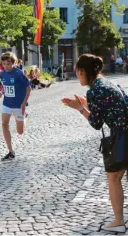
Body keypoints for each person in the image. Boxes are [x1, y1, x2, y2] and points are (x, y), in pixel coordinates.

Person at [62, 54, 128, 234]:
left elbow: (96, 123)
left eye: (77, 72)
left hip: (122, 135)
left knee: (113, 178)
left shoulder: (95, 90)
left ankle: (119, 221)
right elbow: (114, 106)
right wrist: (87, 104)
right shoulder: (108, 83)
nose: (77, 76)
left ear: (82, 71)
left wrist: (81, 108)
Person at [0, 52, 31, 161]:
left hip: (18, 105)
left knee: (20, 132)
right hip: (7, 104)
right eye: (4, 64)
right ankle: (11, 151)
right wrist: (0, 93)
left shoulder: (19, 73)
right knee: (4, 123)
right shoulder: (2, 74)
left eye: (9, 64)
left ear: (14, 63)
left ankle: (24, 118)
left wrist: (24, 103)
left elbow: (28, 88)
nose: (6, 66)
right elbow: (4, 87)